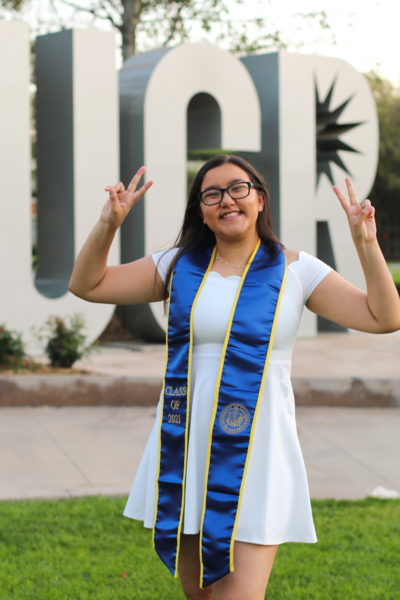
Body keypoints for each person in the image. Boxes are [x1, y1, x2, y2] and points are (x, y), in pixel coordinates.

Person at [68, 155, 400, 600]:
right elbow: (87, 284)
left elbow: (385, 317)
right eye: (212, 193)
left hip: (257, 453)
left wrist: (365, 243)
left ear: (260, 199)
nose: (227, 200)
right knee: (200, 596)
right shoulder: (178, 266)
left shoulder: (296, 271)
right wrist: (109, 224)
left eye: (238, 188)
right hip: (185, 449)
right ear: (201, 210)